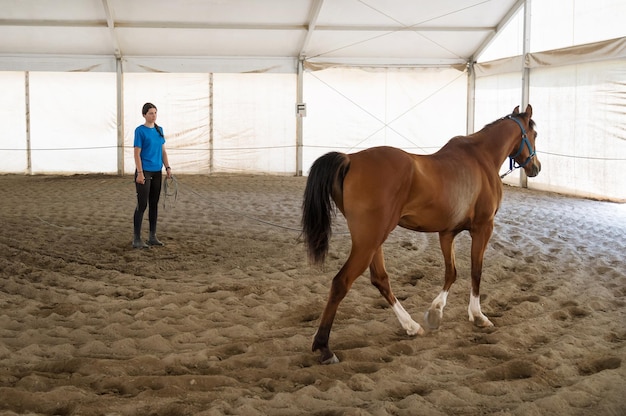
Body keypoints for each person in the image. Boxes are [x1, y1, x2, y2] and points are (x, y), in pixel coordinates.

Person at [132, 102, 172, 249]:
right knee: (142, 204)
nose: (153, 115)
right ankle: (136, 238)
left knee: (154, 204)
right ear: (144, 115)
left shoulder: (159, 130)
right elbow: (136, 153)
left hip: (157, 172)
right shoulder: (140, 131)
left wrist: (167, 167)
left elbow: (163, 151)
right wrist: (140, 173)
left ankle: (152, 236)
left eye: (155, 113)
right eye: (150, 113)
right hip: (144, 171)